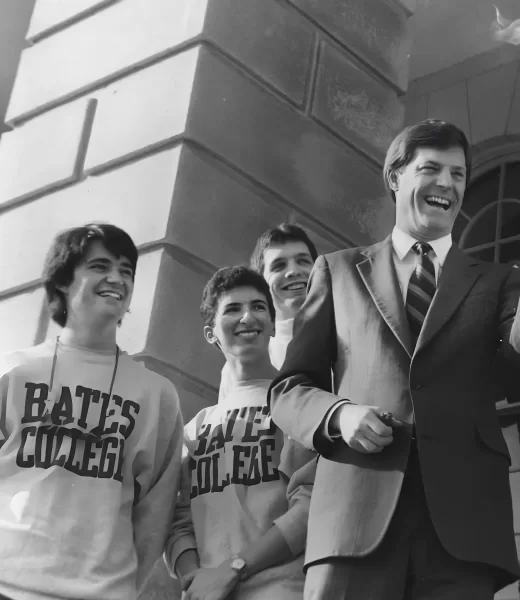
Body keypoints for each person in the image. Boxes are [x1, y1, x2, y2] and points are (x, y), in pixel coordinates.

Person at [268, 118, 520, 599]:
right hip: (353, 522)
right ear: (395, 177)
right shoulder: (339, 271)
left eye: (458, 174)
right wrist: (338, 415)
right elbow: (289, 390)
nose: (447, 184)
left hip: (461, 532)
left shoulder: (498, 280)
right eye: (431, 168)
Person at [0, 223, 184, 600]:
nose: (116, 277)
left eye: (126, 269)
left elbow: (155, 515)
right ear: (64, 281)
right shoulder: (13, 371)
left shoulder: (157, 395)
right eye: (99, 266)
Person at [166, 266, 318, 599]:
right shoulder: (196, 427)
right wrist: (197, 580)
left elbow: (309, 510)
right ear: (211, 333)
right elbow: (178, 521)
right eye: (233, 309)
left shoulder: (298, 404)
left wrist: (233, 570)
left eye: (259, 307)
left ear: (274, 324)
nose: (247, 317)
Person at [249, 223, 319, 369]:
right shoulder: (250, 360)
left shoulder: (351, 331)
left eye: (303, 261)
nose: (293, 271)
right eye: (279, 266)